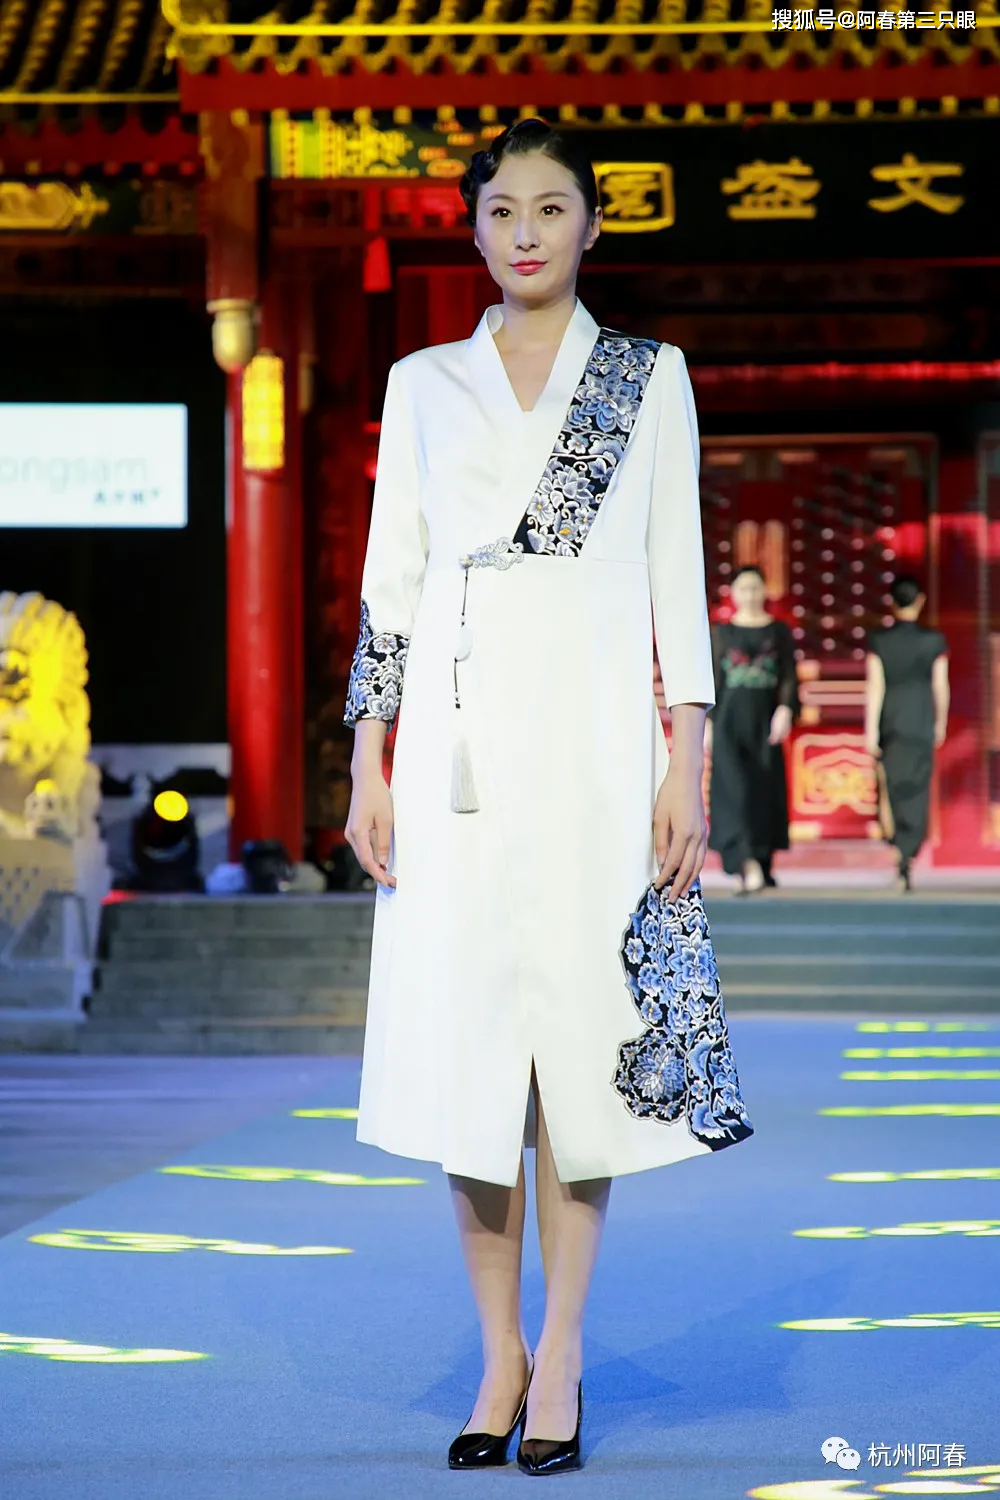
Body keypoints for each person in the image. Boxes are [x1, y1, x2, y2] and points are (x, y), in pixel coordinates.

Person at [343, 119, 744, 1475]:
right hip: (453, 759)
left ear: (592, 224)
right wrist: (368, 758)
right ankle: (497, 1353)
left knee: (580, 1053)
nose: (526, 232)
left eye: (551, 207)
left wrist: (684, 756)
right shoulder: (422, 384)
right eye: (502, 210)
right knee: (470, 1065)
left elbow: (677, 574)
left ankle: (562, 1349)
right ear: (472, 229)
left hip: (592, 755)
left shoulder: (646, 375)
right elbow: (392, 579)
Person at [706, 566, 799, 894]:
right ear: (733, 593)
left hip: (765, 721)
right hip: (728, 723)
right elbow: (712, 680)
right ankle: (744, 861)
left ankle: (760, 859)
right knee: (733, 791)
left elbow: (788, 674)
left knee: (763, 789)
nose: (750, 594)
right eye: (743, 588)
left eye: (755, 588)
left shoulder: (779, 631)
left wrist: (785, 709)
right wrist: (706, 723)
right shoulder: (721, 633)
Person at [864, 574, 949, 891]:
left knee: (894, 785)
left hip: (892, 718)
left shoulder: (880, 641)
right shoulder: (934, 641)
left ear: (891, 602)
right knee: (918, 786)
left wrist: (870, 729)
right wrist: (940, 722)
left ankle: (899, 848)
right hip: (921, 717)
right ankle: (909, 853)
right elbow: (941, 686)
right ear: (920, 601)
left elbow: (875, 687)